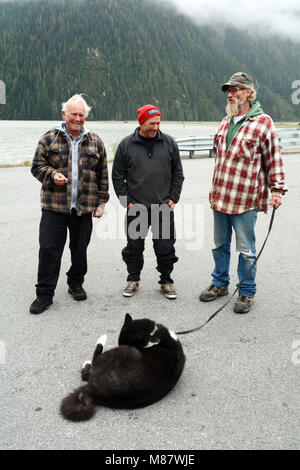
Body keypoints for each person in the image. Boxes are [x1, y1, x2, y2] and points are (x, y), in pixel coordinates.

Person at [200, 72, 287, 313]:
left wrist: (277, 190)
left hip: (245, 200)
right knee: (219, 245)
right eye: (228, 90)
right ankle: (219, 284)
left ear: (249, 92)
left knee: (246, 250)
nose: (231, 93)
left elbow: (274, 159)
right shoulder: (225, 121)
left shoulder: (264, 122)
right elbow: (220, 160)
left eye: (236, 89)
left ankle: (246, 292)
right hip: (220, 197)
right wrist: (212, 188)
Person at [30, 94, 109, 314]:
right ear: (63, 114)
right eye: (73, 114)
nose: (77, 118)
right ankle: (44, 295)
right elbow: (36, 166)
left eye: (81, 115)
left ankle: (75, 283)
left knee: (80, 249)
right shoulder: (49, 138)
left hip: (83, 208)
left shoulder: (95, 141)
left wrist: (102, 202)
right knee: (49, 250)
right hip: (53, 207)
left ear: (86, 117)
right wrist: (52, 174)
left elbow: (103, 174)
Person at [112, 104, 184, 299]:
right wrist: (127, 202)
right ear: (141, 122)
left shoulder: (169, 143)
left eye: (158, 123)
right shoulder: (126, 145)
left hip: (163, 206)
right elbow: (118, 176)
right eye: (151, 123)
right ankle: (133, 279)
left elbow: (178, 174)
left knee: (165, 247)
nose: (155, 127)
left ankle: (166, 280)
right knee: (134, 246)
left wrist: (172, 199)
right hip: (136, 207)